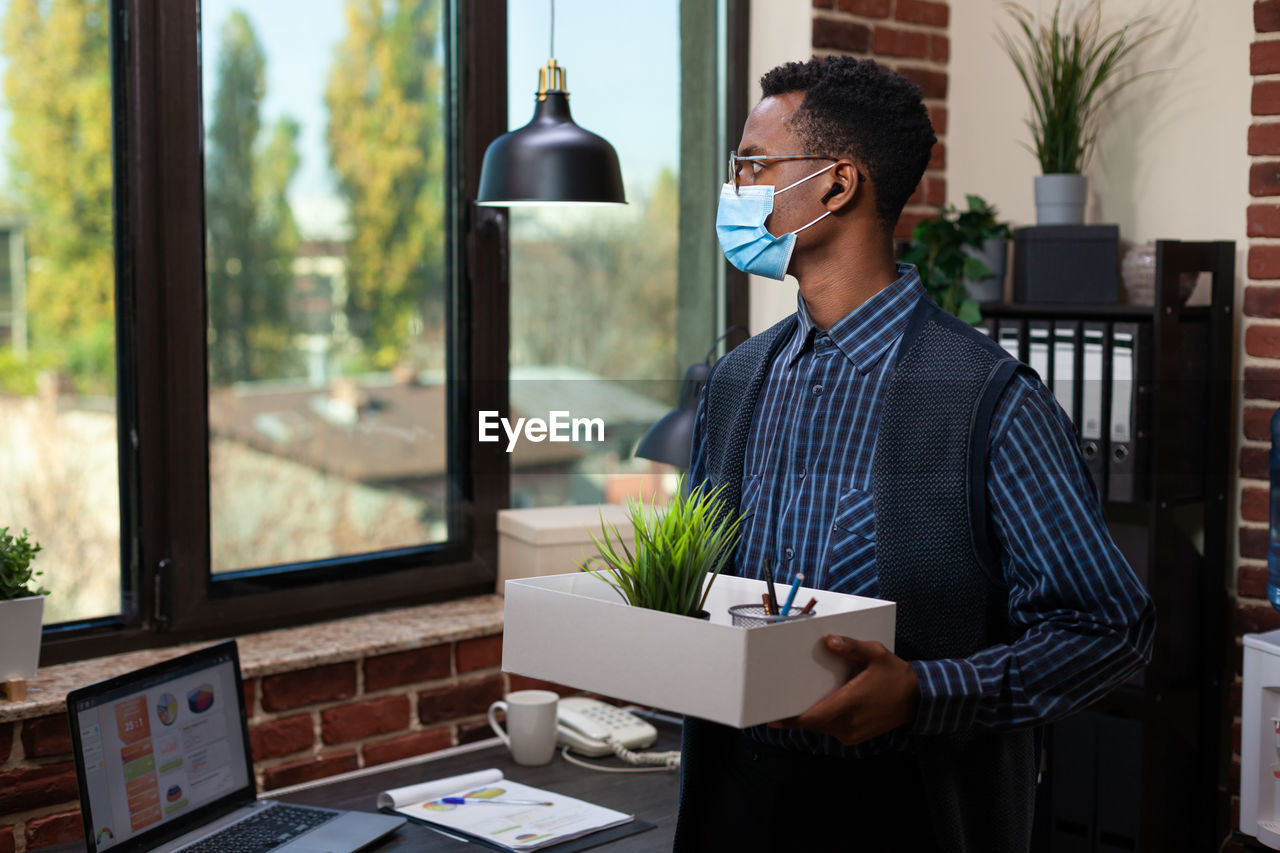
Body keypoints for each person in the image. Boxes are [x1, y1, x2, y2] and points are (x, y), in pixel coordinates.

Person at [673, 56, 1154, 853]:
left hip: (908, 813)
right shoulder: (733, 381)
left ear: (837, 184)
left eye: (754, 165)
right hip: (732, 804)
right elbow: (704, 588)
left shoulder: (990, 399)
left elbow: (1107, 628)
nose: (736, 189)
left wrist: (927, 692)